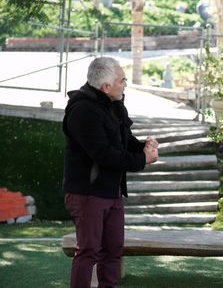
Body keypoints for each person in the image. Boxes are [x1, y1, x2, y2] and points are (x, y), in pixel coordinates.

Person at [63, 57, 159, 288]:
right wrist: (142, 160)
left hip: (111, 192)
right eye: (122, 81)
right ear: (106, 87)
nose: (125, 85)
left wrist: (143, 146)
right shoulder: (82, 110)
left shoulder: (114, 103)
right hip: (87, 194)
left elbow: (123, 141)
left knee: (113, 249)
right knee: (88, 251)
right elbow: (104, 154)